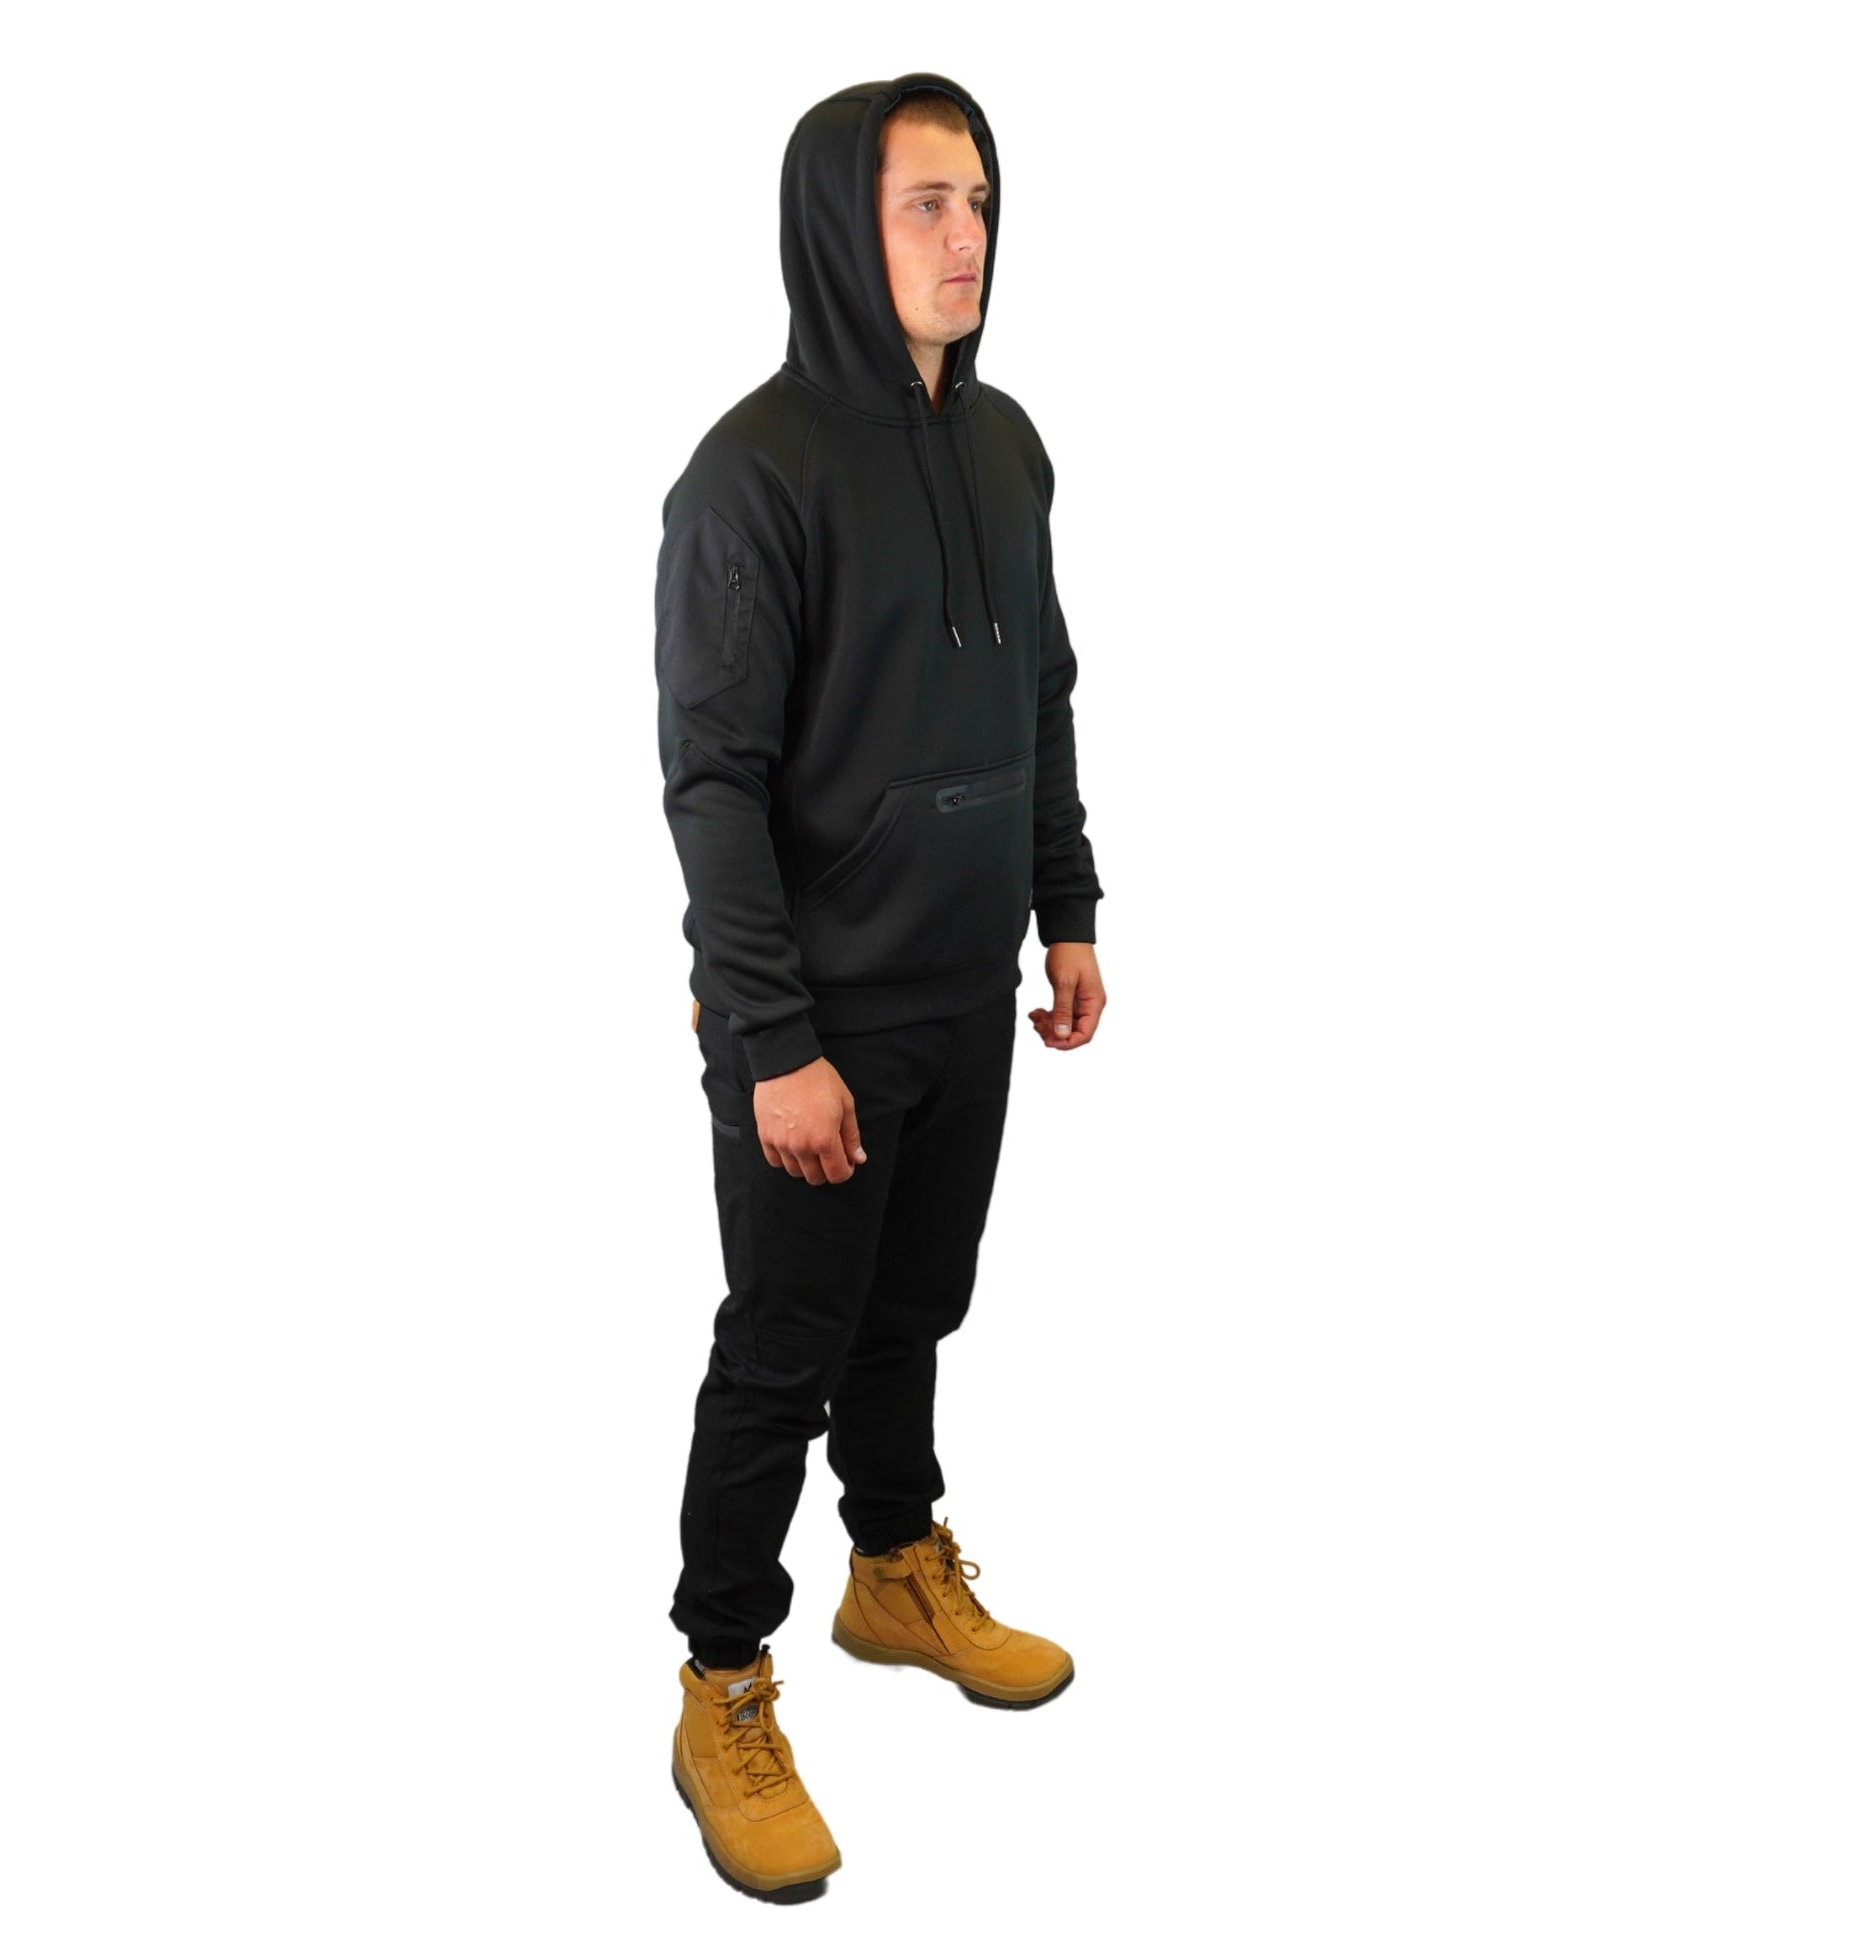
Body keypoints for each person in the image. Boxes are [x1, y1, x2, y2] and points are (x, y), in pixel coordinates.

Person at [653, 72, 1106, 1902]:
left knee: (911, 1309)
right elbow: (711, 781)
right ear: (841, 228)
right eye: (924, 203)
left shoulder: (1008, 446)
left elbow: (1039, 690)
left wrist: (1064, 904)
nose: (963, 237)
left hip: (961, 990)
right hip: (814, 1021)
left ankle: (893, 1568)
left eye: (979, 201)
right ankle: (720, 1682)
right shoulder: (752, 473)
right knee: (783, 1349)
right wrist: (772, 1039)